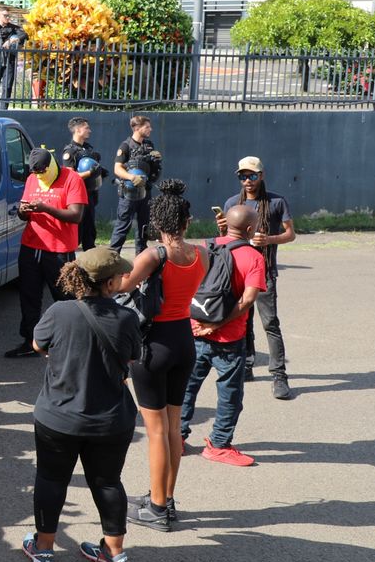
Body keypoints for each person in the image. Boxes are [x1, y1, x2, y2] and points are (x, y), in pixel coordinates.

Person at [21, 247, 142, 562]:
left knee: (50, 478)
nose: (123, 278)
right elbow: (131, 359)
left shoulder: (60, 312)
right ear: (107, 283)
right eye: (119, 275)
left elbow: (38, 345)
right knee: (107, 481)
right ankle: (115, 554)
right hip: (111, 419)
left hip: (58, 416)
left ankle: (44, 549)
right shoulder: (126, 318)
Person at [114, 179, 208, 531]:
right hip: (184, 341)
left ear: (157, 225)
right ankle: (165, 498)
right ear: (186, 222)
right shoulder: (202, 253)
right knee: (172, 427)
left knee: (154, 431)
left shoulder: (154, 255)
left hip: (154, 346)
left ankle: (155, 507)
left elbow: (122, 285)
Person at [180, 205, 268, 467]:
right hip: (229, 339)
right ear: (250, 229)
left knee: (186, 388)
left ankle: (177, 438)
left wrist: (197, 322)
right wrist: (217, 326)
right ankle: (219, 445)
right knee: (230, 394)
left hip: (195, 330)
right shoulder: (253, 257)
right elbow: (248, 299)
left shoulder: (205, 248)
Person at [220, 156, 296, 400]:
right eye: (242, 176)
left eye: (252, 175)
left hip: (264, 271)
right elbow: (227, 240)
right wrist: (222, 229)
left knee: (270, 323)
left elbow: (290, 234)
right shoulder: (233, 203)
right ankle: (247, 364)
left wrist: (270, 240)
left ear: (261, 175)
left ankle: (279, 375)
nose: (247, 181)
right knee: (242, 321)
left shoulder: (276, 201)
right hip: (239, 272)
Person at [5, 148, 87, 359]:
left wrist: (45, 208)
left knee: (65, 297)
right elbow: (24, 215)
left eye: (43, 171)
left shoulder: (72, 178)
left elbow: (76, 216)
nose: (40, 176)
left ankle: (71, 342)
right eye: (36, 172)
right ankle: (30, 342)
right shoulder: (33, 179)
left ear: (51, 165)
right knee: (29, 295)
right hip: (32, 246)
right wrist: (23, 212)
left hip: (59, 250)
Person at [109, 115, 162, 255]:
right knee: (122, 227)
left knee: (144, 228)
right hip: (128, 193)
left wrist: (155, 160)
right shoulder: (125, 146)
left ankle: (141, 260)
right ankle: (112, 259)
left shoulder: (149, 145)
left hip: (145, 192)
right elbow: (117, 169)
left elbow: (154, 169)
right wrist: (132, 177)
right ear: (137, 128)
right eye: (147, 127)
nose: (151, 129)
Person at [61, 117, 105, 252]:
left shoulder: (88, 149)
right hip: (78, 198)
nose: (89, 131)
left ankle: (91, 266)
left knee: (89, 232)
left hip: (90, 194)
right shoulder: (70, 152)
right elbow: (70, 176)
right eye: (86, 128)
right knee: (77, 232)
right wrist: (89, 173)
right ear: (78, 130)